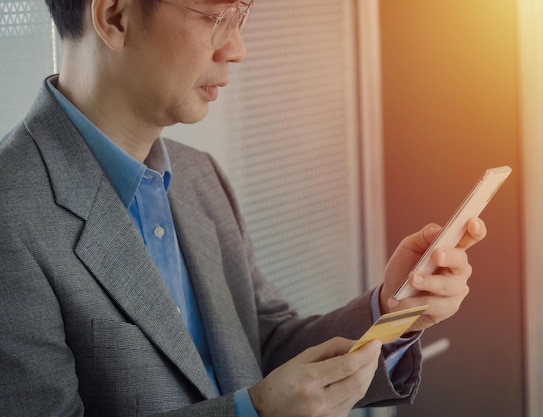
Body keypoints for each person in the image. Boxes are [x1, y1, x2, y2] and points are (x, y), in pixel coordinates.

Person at [0, 0, 486, 416]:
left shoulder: (198, 177)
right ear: (115, 16)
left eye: (242, 15)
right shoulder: (12, 215)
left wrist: (390, 311)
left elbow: (266, 345)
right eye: (217, 16)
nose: (237, 48)